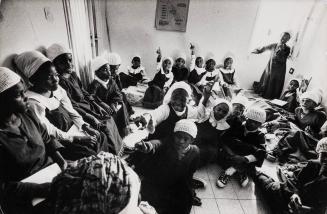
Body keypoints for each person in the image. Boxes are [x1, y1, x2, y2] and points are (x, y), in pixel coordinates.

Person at [14, 51, 121, 157]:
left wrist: (84, 126)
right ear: (35, 79)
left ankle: (110, 164)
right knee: (89, 153)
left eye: (56, 75)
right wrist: (77, 138)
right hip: (63, 139)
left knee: (101, 137)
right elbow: (50, 131)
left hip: (75, 129)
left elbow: (71, 111)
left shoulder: (57, 90)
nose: (56, 80)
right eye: (49, 77)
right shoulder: (33, 102)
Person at [0, 67, 66, 214]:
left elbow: (47, 140)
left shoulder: (27, 113)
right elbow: (4, 187)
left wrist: (61, 161)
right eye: (19, 95)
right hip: (26, 196)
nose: (26, 97)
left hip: (51, 175)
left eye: (24, 92)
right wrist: (42, 189)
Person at [135, 119, 200, 214]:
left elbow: (190, 172)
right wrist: (149, 146)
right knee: (150, 201)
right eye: (178, 137)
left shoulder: (195, 152)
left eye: (186, 139)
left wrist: (189, 190)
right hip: (161, 180)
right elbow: (157, 143)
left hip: (179, 183)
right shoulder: (168, 144)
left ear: (192, 140)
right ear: (174, 135)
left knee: (184, 202)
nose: (181, 141)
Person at [254, 137, 327, 214]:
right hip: (292, 194)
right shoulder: (313, 164)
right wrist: (296, 194)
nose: (326, 159)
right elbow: (298, 181)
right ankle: (257, 173)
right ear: (318, 155)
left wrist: (309, 209)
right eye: (324, 155)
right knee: (269, 188)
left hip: (310, 207)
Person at [266, 89, 326, 162]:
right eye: (303, 100)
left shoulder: (319, 116)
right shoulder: (298, 110)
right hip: (298, 132)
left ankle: (276, 151)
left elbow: (322, 136)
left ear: (315, 104)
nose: (304, 103)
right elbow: (294, 121)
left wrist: (313, 133)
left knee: (295, 134)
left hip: (310, 140)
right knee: (279, 120)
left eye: (308, 101)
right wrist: (280, 121)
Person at [138, 84, 211, 140]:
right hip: (160, 138)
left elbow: (199, 114)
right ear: (170, 97)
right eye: (175, 98)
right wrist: (147, 117)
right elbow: (155, 114)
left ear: (188, 100)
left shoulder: (189, 110)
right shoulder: (166, 108)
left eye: (182, 99)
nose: (178, 102)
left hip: (176, 141)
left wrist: (205, 98)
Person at [217, 107, 266, 188]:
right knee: (221, 155)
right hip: (232, 153)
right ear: (246, 118)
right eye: (250, 120)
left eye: (256, 122)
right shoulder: (237, 126)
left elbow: (261, 153)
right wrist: (232, 154)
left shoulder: (260, 136)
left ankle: (230, 171)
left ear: (261, 124)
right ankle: (240, 171)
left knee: (253, 161)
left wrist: (243, 158)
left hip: (244, 158)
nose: (252, 124)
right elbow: (224, 138)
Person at [88, 56, 131, 137]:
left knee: (121, 104)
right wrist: (102, 104)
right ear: (96, 72)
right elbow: (91, 97)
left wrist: (114, 103)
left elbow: (117, 92)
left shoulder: (111, 80)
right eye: (105, 70)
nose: (109, 72)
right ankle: (114, 134)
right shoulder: (94, 84)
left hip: (111, 104)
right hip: (101, 108)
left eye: (109, 69)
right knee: (107, 116)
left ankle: (123, 129)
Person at [252, 32, 291, 99]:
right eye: (283, 36)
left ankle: (271, 97)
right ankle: (263, 94)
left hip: (280, 68)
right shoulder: (274, 45)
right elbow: (264, 48)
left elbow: (283, 57)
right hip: (271, 65)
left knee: (275, 81)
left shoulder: (287, 48)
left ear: (288, 40)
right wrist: (257, 51)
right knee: (267, 78)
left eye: (286, 38)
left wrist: (281, 49)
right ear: (280, 36)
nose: (284, 38)